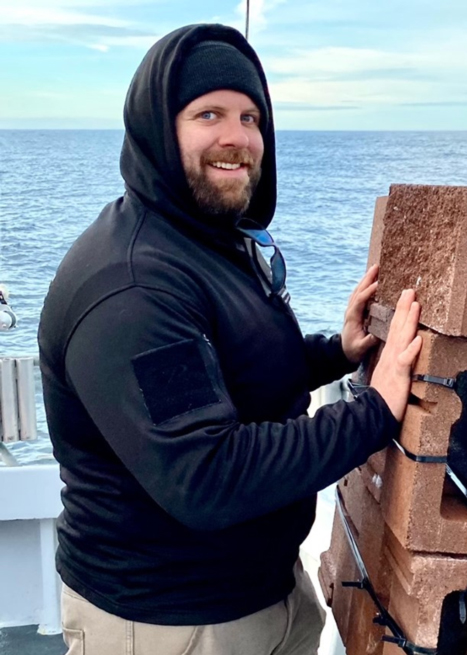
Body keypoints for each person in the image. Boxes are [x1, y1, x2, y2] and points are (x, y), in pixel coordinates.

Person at [38, 23, 421, 655]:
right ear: (159, 129)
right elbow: (206, 476)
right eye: (208, 114)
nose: (237, 137)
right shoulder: (132, 286)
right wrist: (373, 412)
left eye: (250, 118)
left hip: (266, 592)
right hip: (172, 623)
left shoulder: (206, 238)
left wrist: (336, 353)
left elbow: (230, 370)